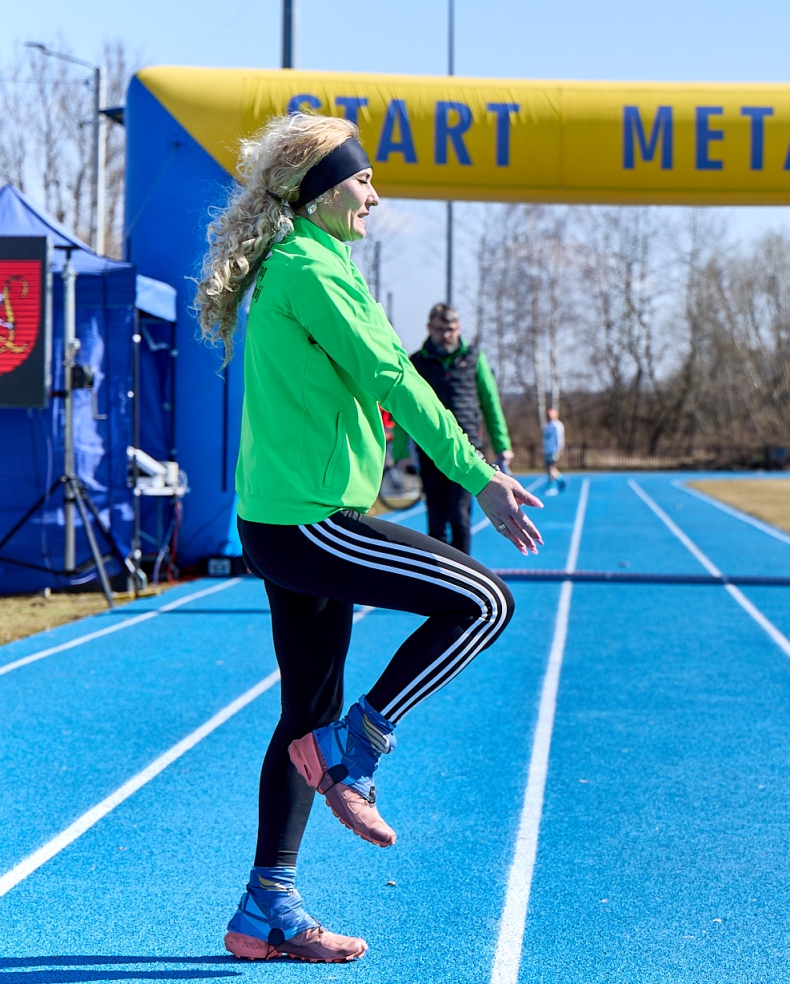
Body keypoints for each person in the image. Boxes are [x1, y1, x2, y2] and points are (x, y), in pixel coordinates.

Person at [194, 114, 543, 963]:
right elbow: (394, 376)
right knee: (483, 601)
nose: (374, 195)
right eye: (361, 180)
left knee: (303, 716)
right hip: (311, 519)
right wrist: (478, 475)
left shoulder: (306, 264)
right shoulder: (311, 270)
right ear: (318, 192)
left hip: (285, 518)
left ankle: (265, 910)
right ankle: (359, 747)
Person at [390, 304, 512, 553]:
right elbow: (403, 408)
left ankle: (461, 573)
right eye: (440, 329)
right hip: (431, 450)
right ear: (429, 328)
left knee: (459, 516)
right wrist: (401, 453)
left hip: (468, 450)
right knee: (436, 522)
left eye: (451, 329)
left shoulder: (474, 358)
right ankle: (437, 574)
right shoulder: (417, 362)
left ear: (459, 328)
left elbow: (490, 402)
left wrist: (502, 445)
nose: (446, 335)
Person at [542, 406, 566, 494]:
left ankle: (553, 484)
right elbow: (545, 438)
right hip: (547, 450)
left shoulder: (557, 425)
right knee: (548, 468)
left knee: (550, 467)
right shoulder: (547, 425)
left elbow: (559, 438)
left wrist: (559, 448)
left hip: (553, 449)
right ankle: (558, 480)